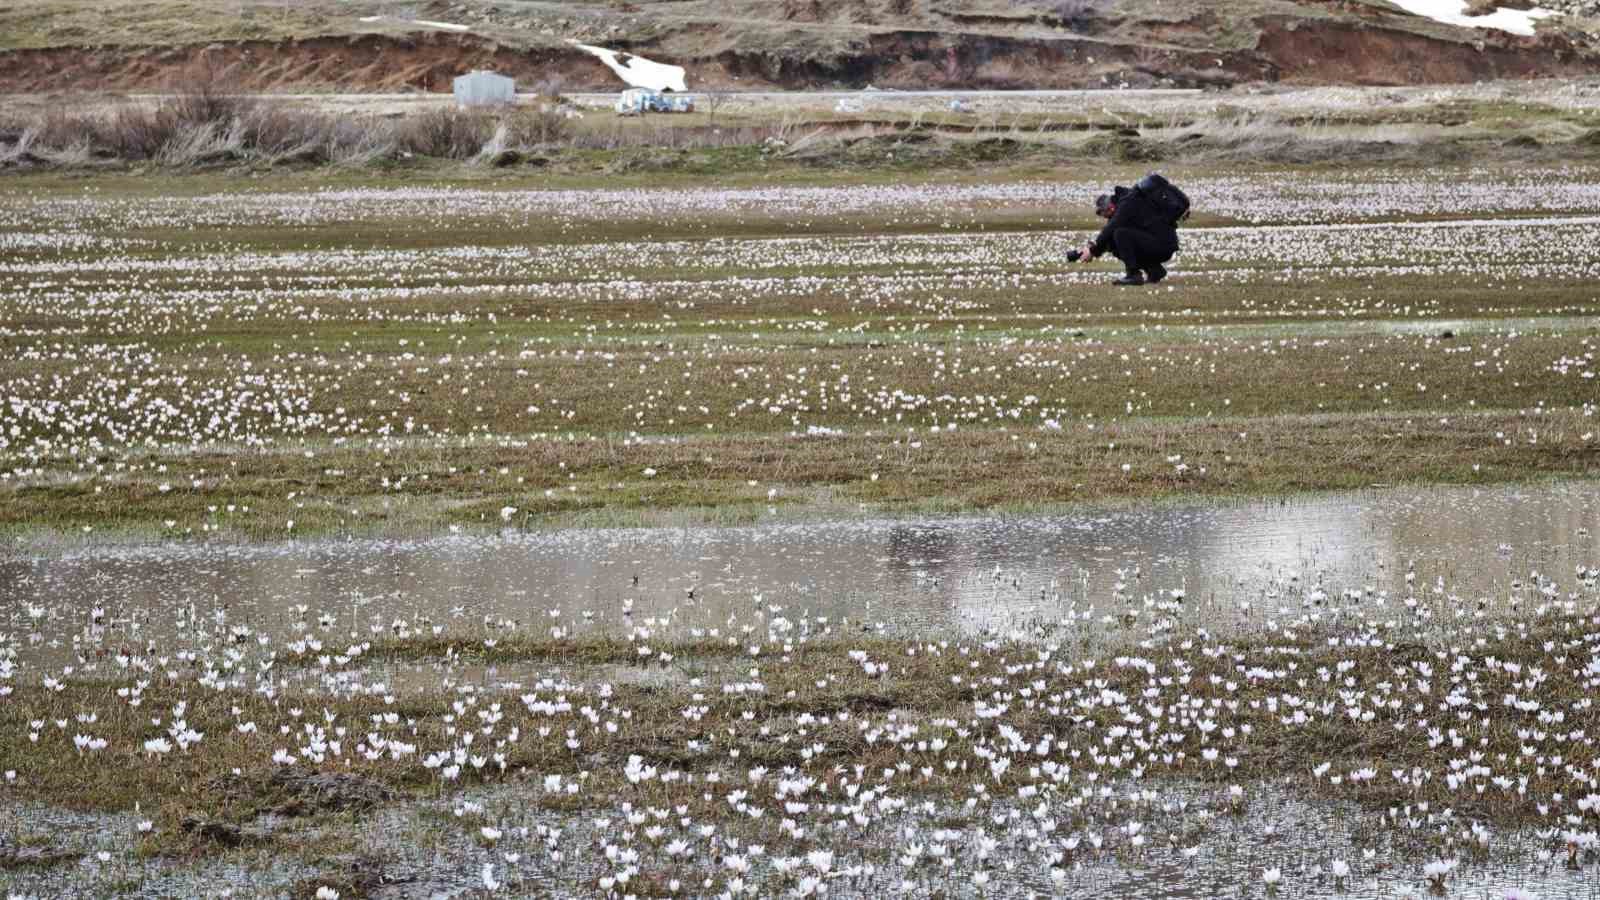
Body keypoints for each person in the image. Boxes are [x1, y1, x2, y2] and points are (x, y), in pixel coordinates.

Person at [1072, 179, 1180, 286]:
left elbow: (1112, 226)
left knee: (1120, 234)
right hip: (1157, 242)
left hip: (1163, 244)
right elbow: (1108, 237)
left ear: (1110, 208)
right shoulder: (1123, 205)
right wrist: (1092, 251)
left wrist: (1092, 249)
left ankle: (1133, 275)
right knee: (1114, 242)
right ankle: (1154, 271)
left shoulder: (1127, 203)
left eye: (1104, 213)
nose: (1105, 217)